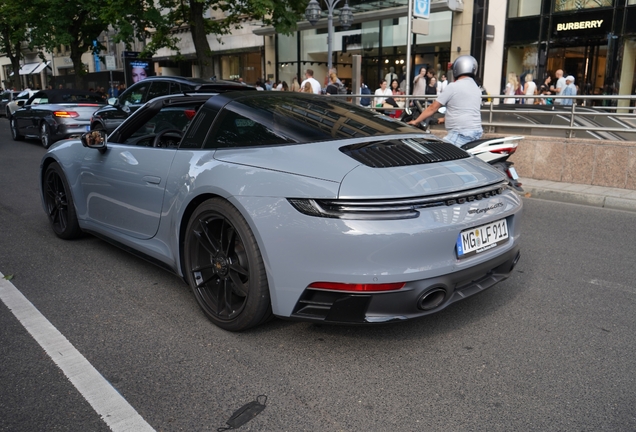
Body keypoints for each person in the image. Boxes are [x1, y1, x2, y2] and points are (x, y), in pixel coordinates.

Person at [408, 55, 483, 146]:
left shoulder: (453, 86)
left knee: (438, 154)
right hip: (476, 133)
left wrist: (416, 121)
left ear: (457, 69)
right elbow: (465, 109)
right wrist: (444, 119)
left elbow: (433, 108)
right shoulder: (476, 88)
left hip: (460, 133)